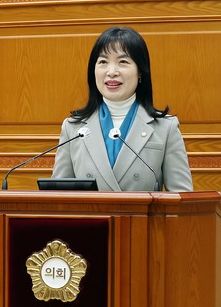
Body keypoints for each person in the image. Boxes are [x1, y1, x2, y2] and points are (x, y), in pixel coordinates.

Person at [51, 26, 193, 192]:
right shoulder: (73, 128)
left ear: (140, 72)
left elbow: (181, 197)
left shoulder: (165, 128)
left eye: (123, 62)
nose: (112, 72)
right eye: (103, 62)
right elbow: (58, 197)